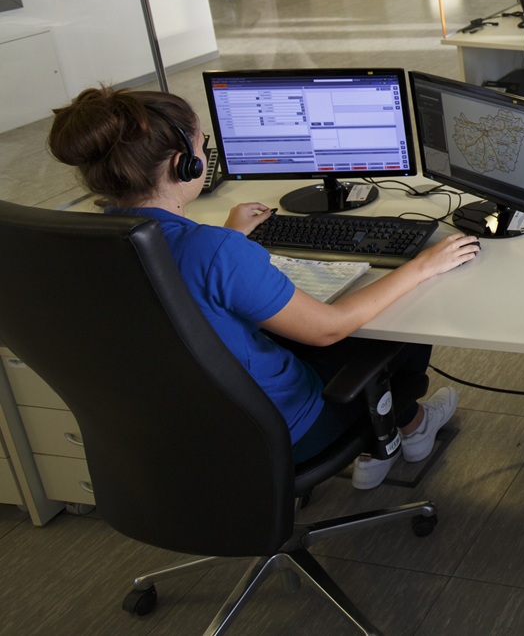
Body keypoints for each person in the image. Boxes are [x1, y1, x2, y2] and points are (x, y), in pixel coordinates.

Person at [45, 88, 481, 487]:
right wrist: (422, 266)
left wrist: (228, 238)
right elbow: (327, 328)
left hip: (171, 432)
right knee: (399, 322)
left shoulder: (86, 246)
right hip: (281, 431)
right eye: (202, 145)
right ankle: (401, 428)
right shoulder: (213, 252)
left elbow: (181, 283)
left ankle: (404, 429)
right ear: (185, 164)